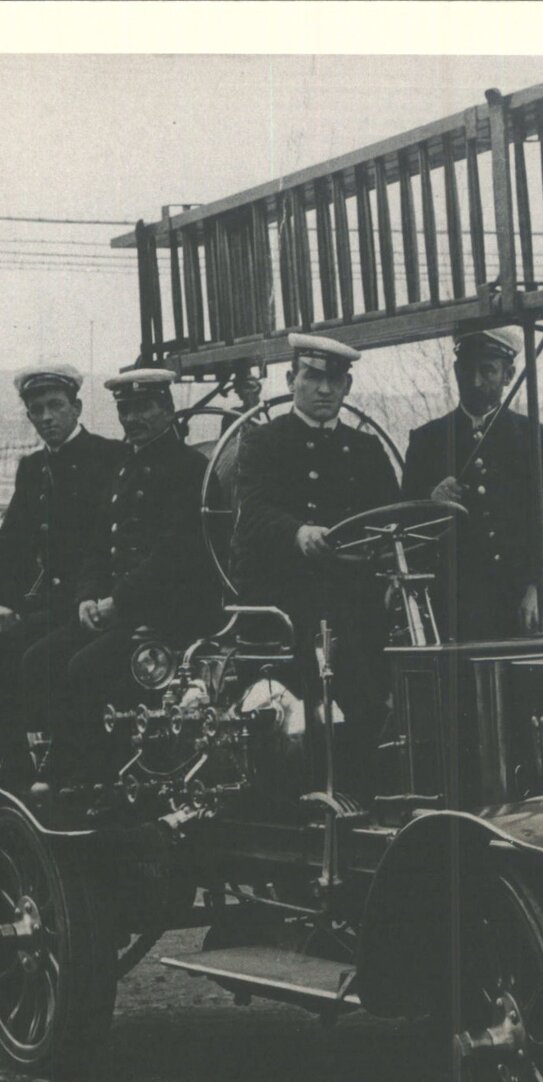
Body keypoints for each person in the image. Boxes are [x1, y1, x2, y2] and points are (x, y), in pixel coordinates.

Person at [232, 333, 402, 793]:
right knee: (304, 716)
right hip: (286, 604)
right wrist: (297, 532)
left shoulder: (365, 451)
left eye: (335, 380)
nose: (324, 390)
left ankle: (360, 797)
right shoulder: (262, 444)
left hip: (357, 602)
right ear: (291, 381)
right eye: (313, 377)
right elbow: (253, 512)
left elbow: (392, 519)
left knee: (370, 700)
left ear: (347, 388)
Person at [44, 367, 223, 792]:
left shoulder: (189, 470)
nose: (133, 419)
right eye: (125, 410)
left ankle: (103, 780)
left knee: (84, 668)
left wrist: (117, 602)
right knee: (41, 659)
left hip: (168, 617)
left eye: (143, 407)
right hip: (122, 612)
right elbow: (98, 546)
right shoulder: (124, 469)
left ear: (167, 408)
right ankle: (61, 760)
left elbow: (175, 556)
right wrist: (87, 597)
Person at [0, 363, 125, 783]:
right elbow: (12, 544)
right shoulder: (32, 469)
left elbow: (112, 543)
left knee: (43, 662)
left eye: (55, 406)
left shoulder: (110, 457)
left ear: (76, 408)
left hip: (94, 604)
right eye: (36, 410)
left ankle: (67, 764)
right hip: (54, 605)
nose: (46, 418)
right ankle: (9, 766)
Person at [400, 327, 543, 639]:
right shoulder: (427, 441)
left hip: (527, 603)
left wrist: (539, 587)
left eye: (487, 371)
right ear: (455, 371)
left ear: (509, 374)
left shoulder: (532, 438)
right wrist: (430, 502)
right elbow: (403, 529)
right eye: (467, 370)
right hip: (458, 609)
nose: (475, 381)